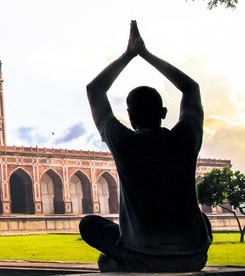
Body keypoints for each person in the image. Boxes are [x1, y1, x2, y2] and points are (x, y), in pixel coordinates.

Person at [81, 20, 212, 272]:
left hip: (141, 256)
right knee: (203, 219)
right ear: (163, 112)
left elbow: (94, 89)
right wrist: (147, 55)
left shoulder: (124, 142)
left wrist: (129, 54)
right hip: (195, 256)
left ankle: (118, 262)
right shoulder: (186, 139)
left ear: (129, 116)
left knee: (89, 225)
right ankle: (118, 260)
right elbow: (191, 88)